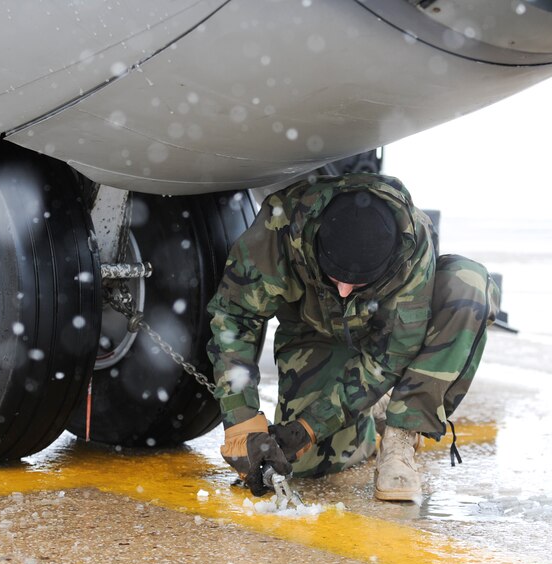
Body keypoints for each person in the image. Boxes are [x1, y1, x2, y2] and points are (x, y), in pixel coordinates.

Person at [207, 173, 500, 502]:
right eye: (335, 275)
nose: (344, 290)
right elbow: (234, 317)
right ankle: (373, 407)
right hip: (313, 330)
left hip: (381, 337)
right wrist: (240, 418)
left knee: (469, 284)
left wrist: (310, 426)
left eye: (357, 282)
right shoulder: (280, 229)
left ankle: (401, 434)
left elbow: (388, 359)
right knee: (308, 464)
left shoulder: (411, 250)